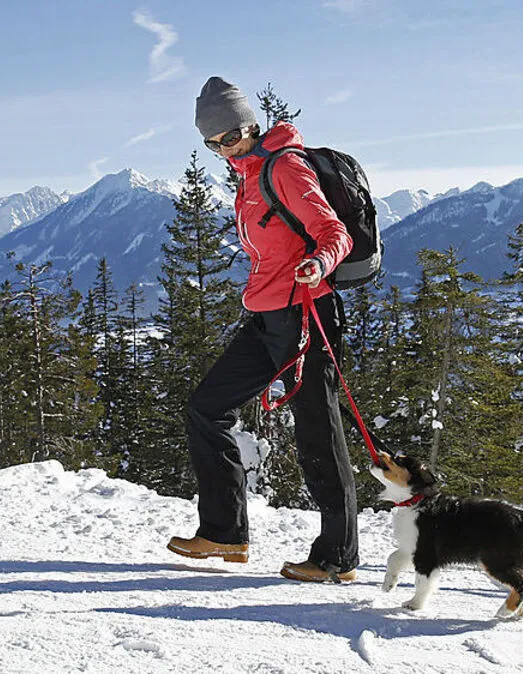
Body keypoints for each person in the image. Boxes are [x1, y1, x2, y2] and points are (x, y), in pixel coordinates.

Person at [167, 76, 358, 582]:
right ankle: (224, 534)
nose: (225, 149)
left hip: (307, 312)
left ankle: (337, 558)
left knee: (318, 430)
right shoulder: (250, 175)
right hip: (268, 314)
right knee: (207, 406)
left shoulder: (285, 167)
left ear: (250, 126)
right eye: (213, 144)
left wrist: (319, 263)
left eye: (230, 137)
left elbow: (333, 231)